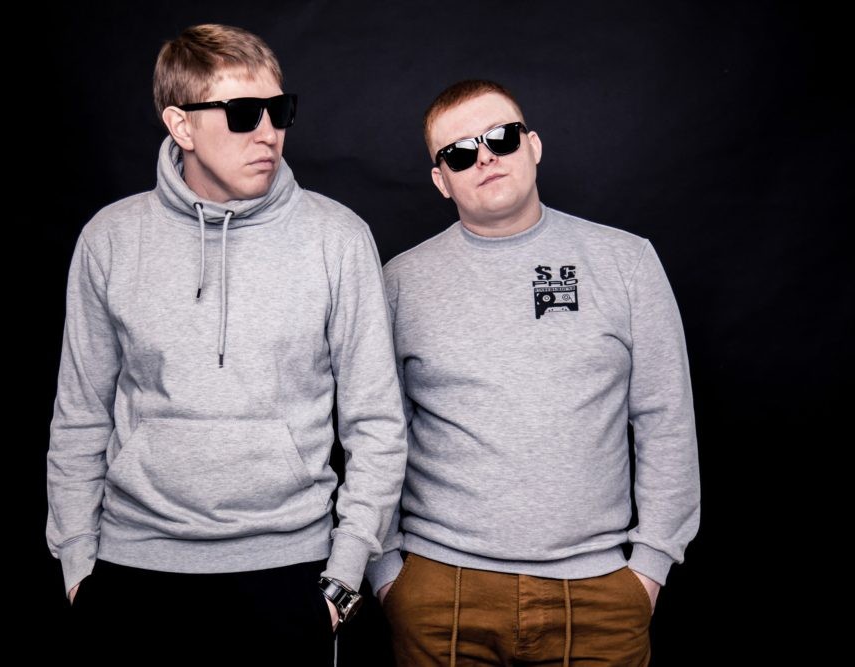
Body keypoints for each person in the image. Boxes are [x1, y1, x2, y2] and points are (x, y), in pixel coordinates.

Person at [46, 24, 406, 662]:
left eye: (279, 110)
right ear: (181, 125)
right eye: (243, 114)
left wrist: (343, 581)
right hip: (132, 572)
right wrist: (78, 564)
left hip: (291, 572)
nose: (268, 133)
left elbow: (376, 423)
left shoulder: (338, 238)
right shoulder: (111, 238)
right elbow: (79, 417)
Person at [367, 79, 700, 666]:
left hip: (601, 594)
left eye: (501, 137)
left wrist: (650, 567)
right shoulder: (400, 282)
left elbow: (665, 421)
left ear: (534, 145)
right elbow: (376, 432)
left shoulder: (626, 262)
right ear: (441, 180)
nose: (485, 157)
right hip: (441, 591)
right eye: (459, 153)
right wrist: (387, 575)